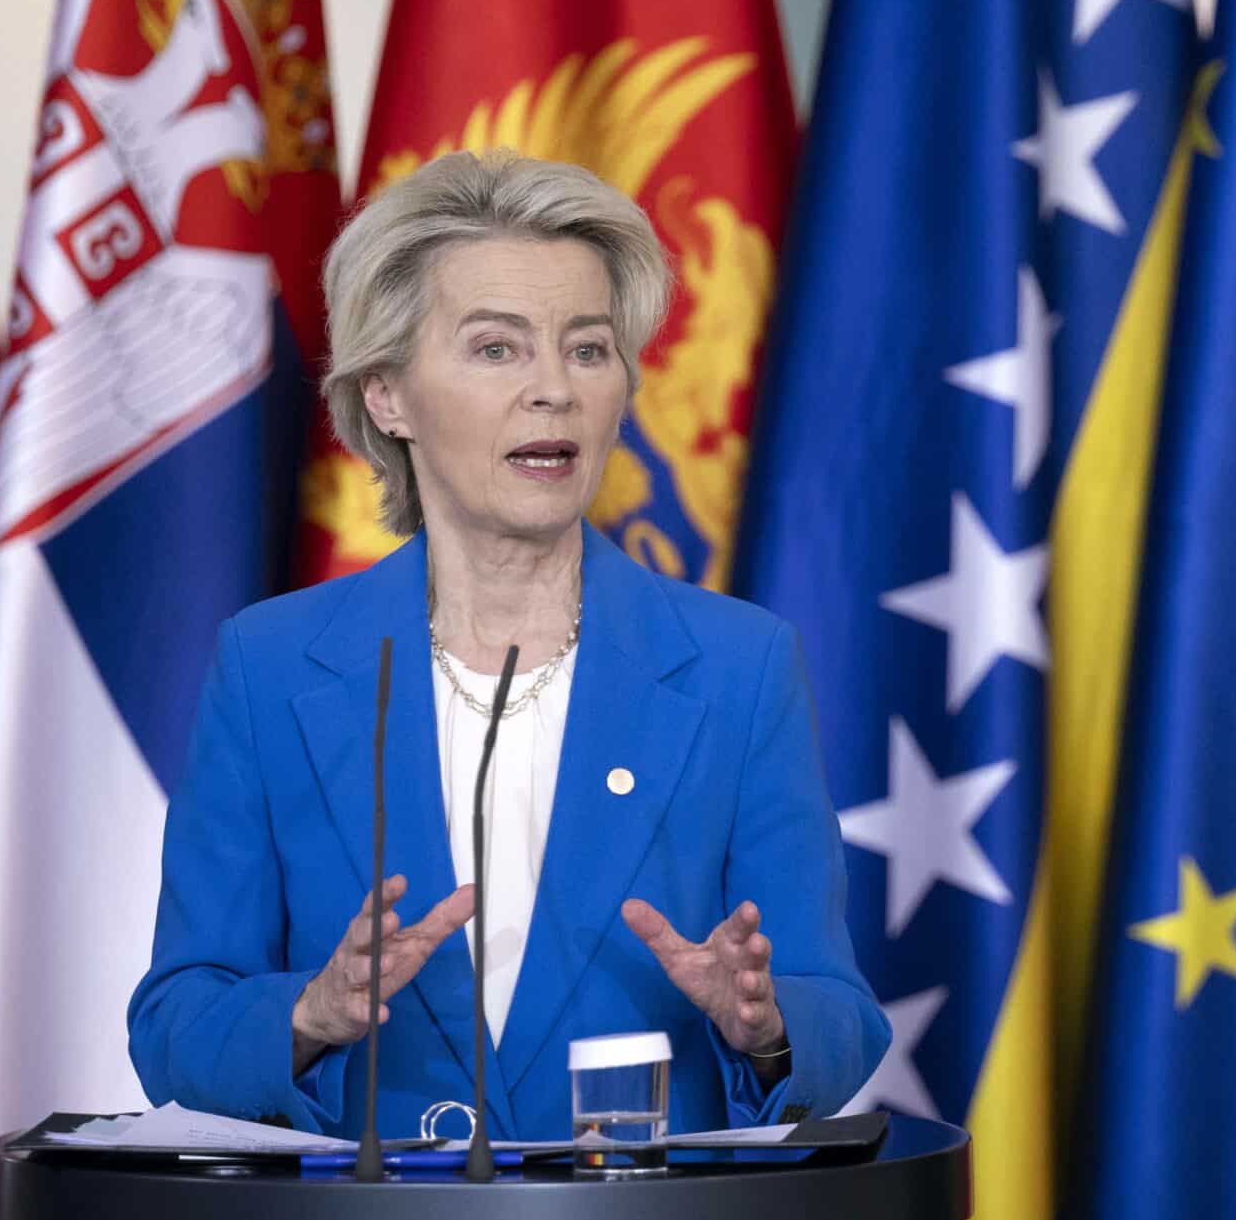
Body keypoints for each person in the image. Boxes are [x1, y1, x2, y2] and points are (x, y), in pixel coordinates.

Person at [129, 149, 885, 1141]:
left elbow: (841, 1013)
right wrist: (307, 1015)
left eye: (587, 348)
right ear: (388, 395)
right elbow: (174, 1024)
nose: (553, 390)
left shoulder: (738, 669)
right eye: (496, 349)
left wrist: (768, 1022)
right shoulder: (271, 669)